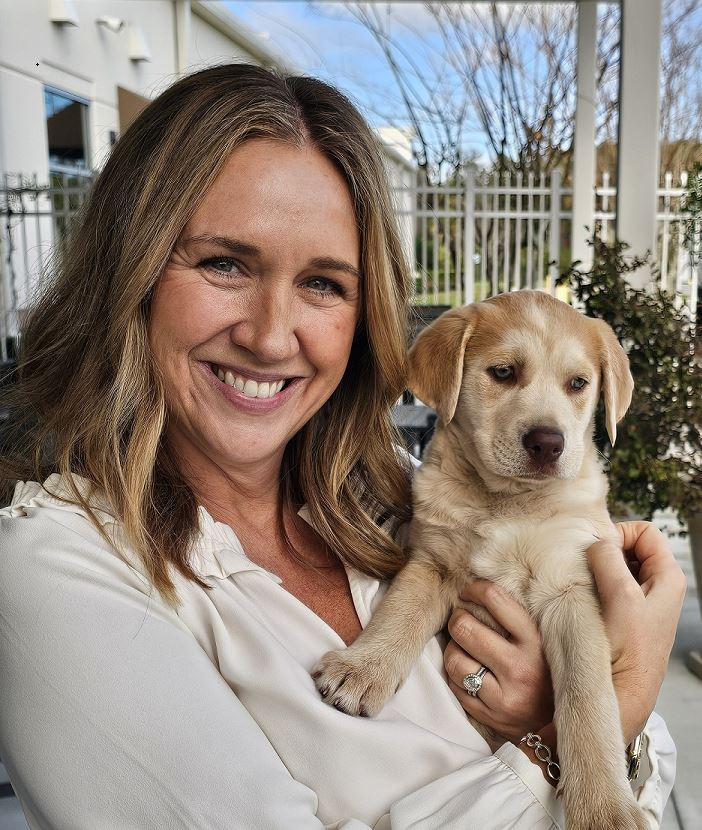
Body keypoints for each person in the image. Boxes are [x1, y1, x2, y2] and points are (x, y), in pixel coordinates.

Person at [0, 63, 685, 829]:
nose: (268, 335)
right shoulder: (53, 567)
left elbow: (647, 771)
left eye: (323, 283)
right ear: (128, 273)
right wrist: (565, 738)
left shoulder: (383, 493)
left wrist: (587, 714)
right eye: (224, 263)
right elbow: (621, 720)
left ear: (364, 313)